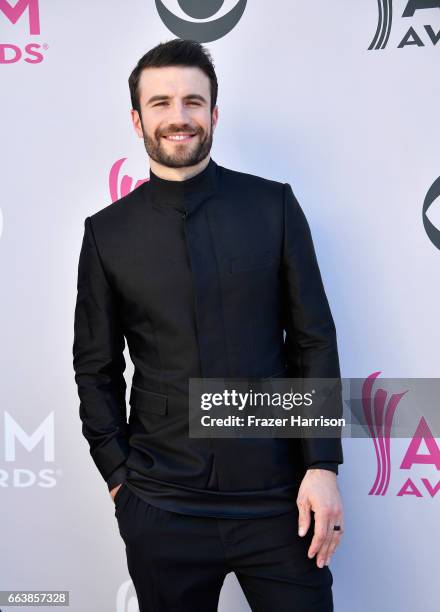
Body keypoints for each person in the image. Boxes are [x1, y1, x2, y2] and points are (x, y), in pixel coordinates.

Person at [72, 38, 344, 612]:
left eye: (194, 102)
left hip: (279, 500)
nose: (179, 117)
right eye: (162, 102)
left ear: (214, 113)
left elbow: (314, 339)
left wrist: (321, 465)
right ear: (137, 118)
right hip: (161, 503)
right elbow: (95, 367)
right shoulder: (107, 233)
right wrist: (121, 480)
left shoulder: (272, 207)